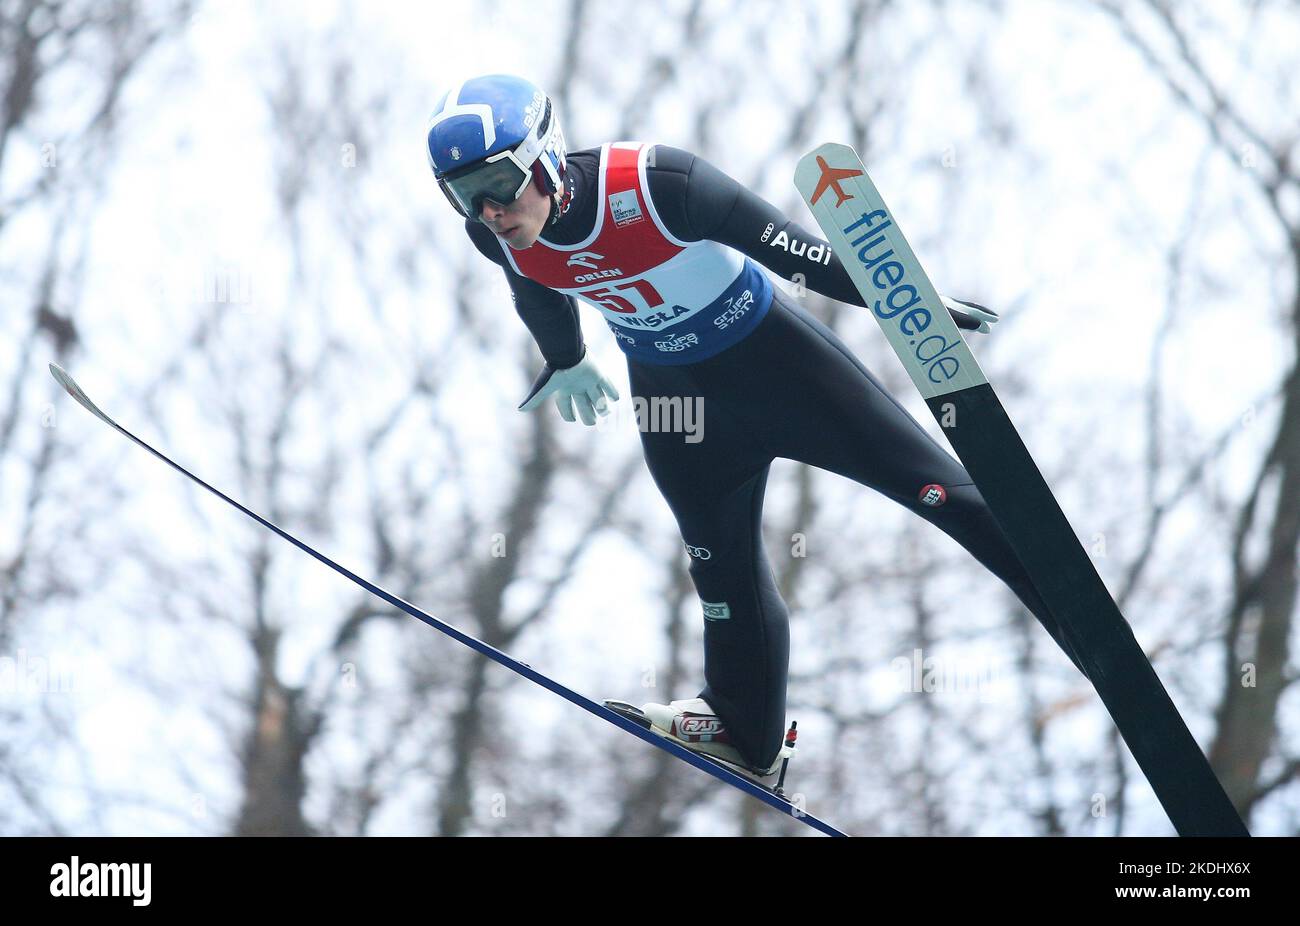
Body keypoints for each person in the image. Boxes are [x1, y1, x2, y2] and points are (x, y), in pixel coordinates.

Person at [426, 73, 1088, 777]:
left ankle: (1087, 629)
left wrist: (908, 300)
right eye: (465, 194)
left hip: (782, 372)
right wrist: (566, 357)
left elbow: (801, 256)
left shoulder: (659, 185)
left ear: (546, 156)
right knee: (720, 572)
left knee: (939, 494)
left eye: (498, 183)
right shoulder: (495, 235)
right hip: (678, 410)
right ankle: (745, 730)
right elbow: (535, 289)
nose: (489, 210)